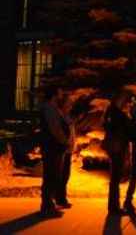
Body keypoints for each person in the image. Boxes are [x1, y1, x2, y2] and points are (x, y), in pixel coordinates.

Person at [39, 86, 69, 218]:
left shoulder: (52, 108)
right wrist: (64, 140)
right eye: (60, 92)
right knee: (51, 175)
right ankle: (47, 206)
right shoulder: (49, 108)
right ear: (54, 94)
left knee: (52, 175)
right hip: (53, 147)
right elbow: (55, 128)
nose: (61, 94)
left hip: (53, 146)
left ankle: (48, 204)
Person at [56, 93, 75, 209]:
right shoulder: (60, 116)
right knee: (61, 175)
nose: (71, 105)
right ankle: (60, 198)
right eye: (69, 103)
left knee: (65, 175)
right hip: (63, 149)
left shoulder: (67, 116)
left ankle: (61, 197)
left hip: (68, 149)